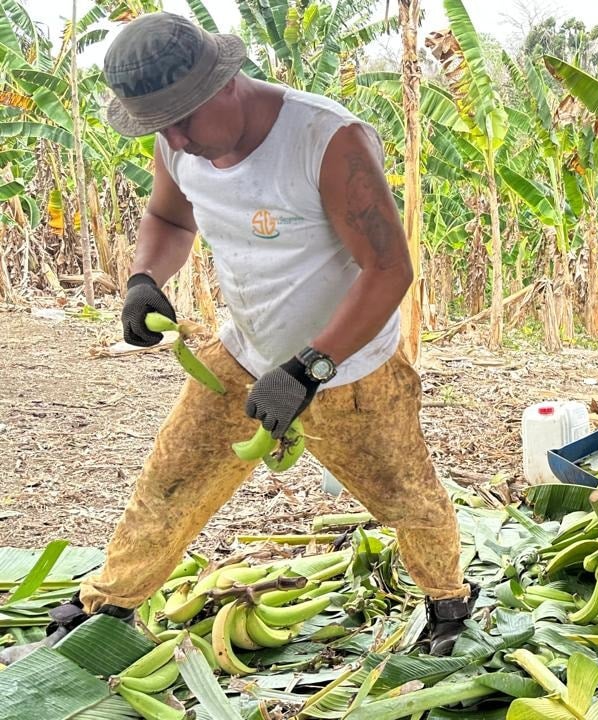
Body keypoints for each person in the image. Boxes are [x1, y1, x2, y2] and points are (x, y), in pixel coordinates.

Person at [0, 12, 472, 663]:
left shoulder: (325, 141)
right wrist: (143, 278)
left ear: (225, 82)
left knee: (406, 498)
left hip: (351, 371)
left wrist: (309, 368)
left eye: (182, 119)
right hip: (244, 353)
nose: (174, 138)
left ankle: (449, 601)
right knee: (170, 482)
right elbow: (170, 217)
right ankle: (104, 609)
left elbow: (389, 270)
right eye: (160, 126)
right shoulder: (178, 140)